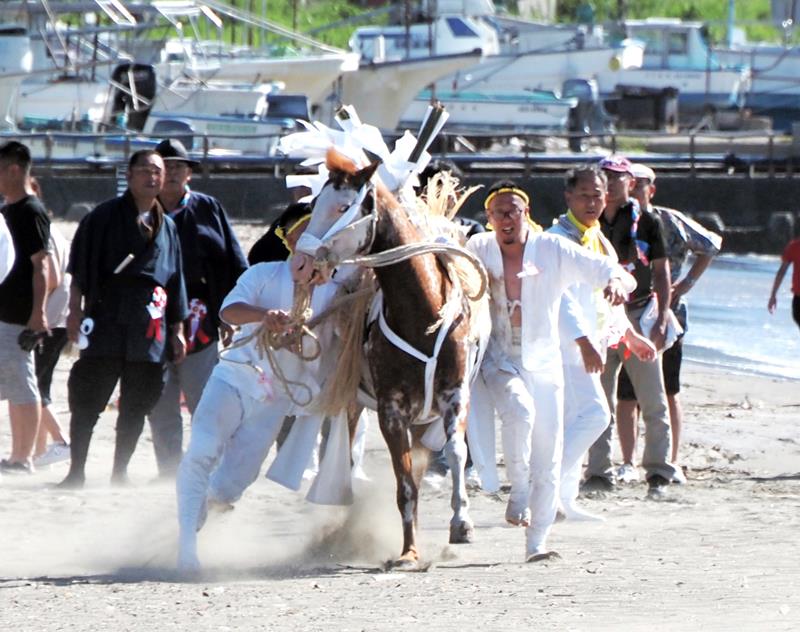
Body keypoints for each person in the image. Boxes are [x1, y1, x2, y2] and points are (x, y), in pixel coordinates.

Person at [465, 179, 635, 561]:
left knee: (550, 452)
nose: (506, 219)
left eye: (513, 211)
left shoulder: (551, 249)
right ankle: (519, 489)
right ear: (489, 218)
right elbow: (446, 263)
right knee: (519, 410)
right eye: (498, 213)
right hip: (499, 357)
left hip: (544, 359)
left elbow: (606, 269)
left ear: (525, 214)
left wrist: (614, 283)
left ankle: (537, 542)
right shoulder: (478, 248)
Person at [176, 250, 338, 573]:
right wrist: (264, 315)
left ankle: (202, 508)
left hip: (276, 397)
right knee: (202, 451)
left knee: (235, 482)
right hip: (234, 376)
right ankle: (186, 548)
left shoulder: (333, 292)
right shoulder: (264, 273)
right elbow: (228, 310)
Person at [58, 149, 188, 488]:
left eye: (157, 171)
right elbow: (80, 269)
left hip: (150, 322)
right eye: (144, 170)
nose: (152, 177)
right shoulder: (102, 217)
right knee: (88, 397)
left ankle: (120, 472)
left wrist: (177, 328)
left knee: (137, 402)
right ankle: (76, 471)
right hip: (107, 315)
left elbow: (175, 281)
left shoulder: (167, 226)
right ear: (128, 176)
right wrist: (74, 310)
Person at [548, 166, 656, 521]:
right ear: (568, 197)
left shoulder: (599, 238)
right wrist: (583, 343)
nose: (592, 202)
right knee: (596, 414)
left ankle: (563, 500)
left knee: (575, 421)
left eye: (597, 195)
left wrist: (630, 336)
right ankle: (544, 484)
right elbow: (561, 299)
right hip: (565, 346)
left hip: (592, 341)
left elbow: (612, 294)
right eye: (584, 195)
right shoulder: (556, 239)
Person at [146, 139, 248, 479]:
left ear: (189, 173)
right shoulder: (140, 211)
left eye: (179, 166)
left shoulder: (208, 208)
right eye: (166, 166)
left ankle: (207, 468)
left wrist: (230, 312)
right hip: (152, 318)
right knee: (159, 400)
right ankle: (168, 471)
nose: (173, 173)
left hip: (201, 318)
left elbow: (234, 262)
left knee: (204, 400)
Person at [615, 163, 722, 479]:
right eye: (629, 183)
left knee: (668, 389)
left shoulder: (668, 220)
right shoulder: (615, 220)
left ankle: (670, 459)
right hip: (627, 313)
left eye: (640, 184)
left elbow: (711, 245)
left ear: (651, 189)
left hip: (669, 314)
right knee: (626, 393)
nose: (633, 189)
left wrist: (686, 283)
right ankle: (627, 461)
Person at [583, 156, 677, 498]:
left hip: (638, 314)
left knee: (653, 399)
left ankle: (658, 472)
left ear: (630, 183)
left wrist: (662, 317)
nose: (611, 183)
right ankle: (598, 472)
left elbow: (662, 271)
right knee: (599, 399)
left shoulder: (647, 220)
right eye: (605, 177)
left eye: (617, 177)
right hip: (599, 317)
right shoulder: (588, 220)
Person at [0, 141, 50, 474]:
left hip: (20, 313)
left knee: (23, 381)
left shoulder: (31, 210)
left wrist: (38, 313)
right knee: (12, 383)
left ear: (14, 170)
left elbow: (41, 265)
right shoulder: (9, 210)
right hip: (5, 311)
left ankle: (24, 456)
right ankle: (16, 454)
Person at [768, 233, 800, 332]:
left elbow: (782, 272)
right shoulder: (794, 247)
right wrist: (773, 294)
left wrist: (773, 295)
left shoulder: (794, 246)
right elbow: (781, 272)